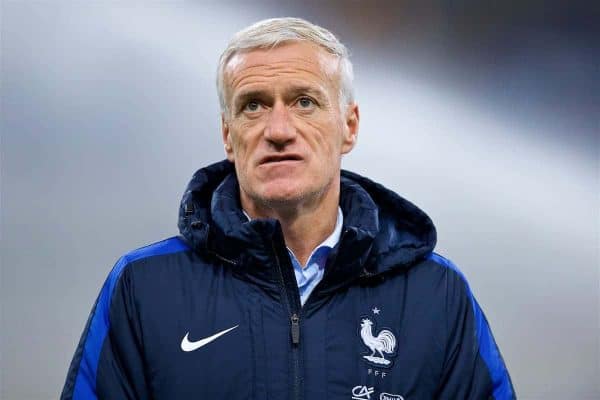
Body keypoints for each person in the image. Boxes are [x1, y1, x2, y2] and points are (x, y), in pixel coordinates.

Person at [61, 17, 515, 400]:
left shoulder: (436, 294)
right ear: (227, 134)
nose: (279, 129)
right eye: (254, 105)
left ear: (349, 127)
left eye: (304, 102)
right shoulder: (143, 288)